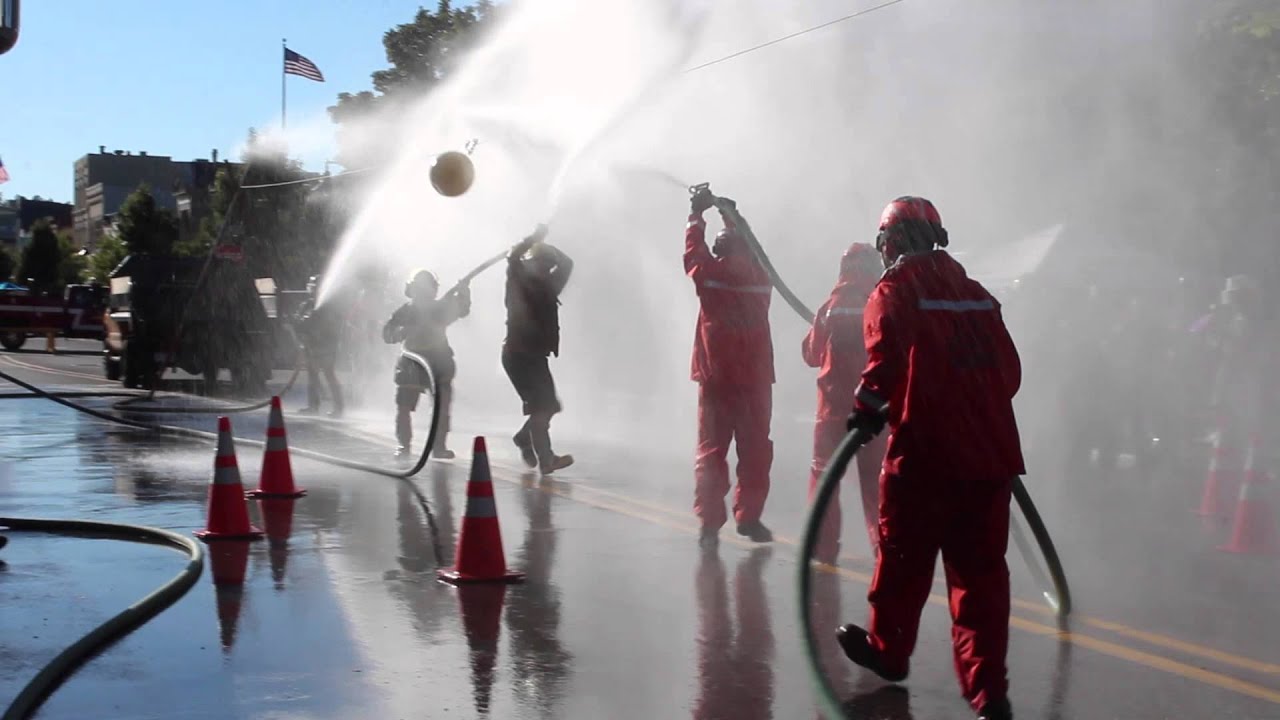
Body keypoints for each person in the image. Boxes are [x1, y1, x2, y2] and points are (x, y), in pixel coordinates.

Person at [836, 196, 1023, 720]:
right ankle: (989, 695)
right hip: (988, 460)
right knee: (981, 579)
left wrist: (867, 409)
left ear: (891, 243)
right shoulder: (978, 296)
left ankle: (891, 654)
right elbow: (1009, 377)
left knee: (902, 563)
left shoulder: (894, 291)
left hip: (924, 458)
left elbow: (885, 359)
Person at [685, 187, 775, 548]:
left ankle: (709, 524)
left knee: (711, 452)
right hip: (754, 382)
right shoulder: (761, 281)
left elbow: (693, 253)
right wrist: (732, 216)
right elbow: (759, 254)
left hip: (717, 380)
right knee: (755, 452)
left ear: (719, 251)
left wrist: (697, 215)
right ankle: (749, 517)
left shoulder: (709, 277)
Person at [802, 242, 885, 564]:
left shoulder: (829, 307)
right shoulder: (879, 304)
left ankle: (823, 551)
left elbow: (811, 355)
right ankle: (883, 553)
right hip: (872, 409)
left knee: (824, 479)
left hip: (832, 411)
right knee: (875, 485)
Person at [503, 225, 575, 475]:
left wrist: (546, 246)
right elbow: (512, 258)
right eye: (539, 263)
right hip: (519, 355)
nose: (543, 269)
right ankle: (546, 458)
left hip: (534, 357)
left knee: (550, 405)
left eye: (547, 265)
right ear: (529, 263)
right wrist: (533, 239)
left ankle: (525, 439)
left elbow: (567, 263)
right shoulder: (517, 282)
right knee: (541, 407)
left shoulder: (549, 287)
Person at [383, 269, 471, 459]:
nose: (422, 293)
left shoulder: (441, 308)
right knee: (404, 405)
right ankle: (403, 446)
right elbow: (387, 334)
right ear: (411, 290)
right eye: (418, 289)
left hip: (438, 360)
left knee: (442, 405)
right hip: (411, 361)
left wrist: (464, 291)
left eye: (426, 289)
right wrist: (403, 330)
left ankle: (438, 446)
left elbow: (462, 309)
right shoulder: (405, 311)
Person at [295, 275, 344, 418]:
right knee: (312, 375)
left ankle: (338, 407)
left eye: (316, 287)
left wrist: (313, 322)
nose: (313, 290)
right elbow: (298, 321)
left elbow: (332, 327)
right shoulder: (307, 305)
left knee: (329, 374)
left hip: (326, 347)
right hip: (311, 345)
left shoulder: (328, 306)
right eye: (312, 287)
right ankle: (313, 405)